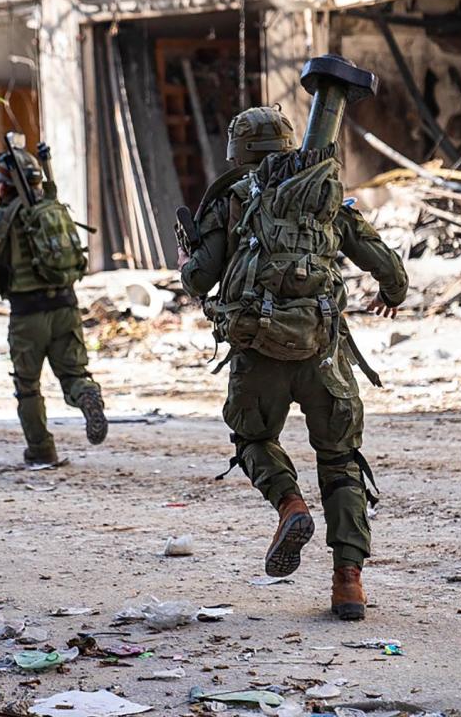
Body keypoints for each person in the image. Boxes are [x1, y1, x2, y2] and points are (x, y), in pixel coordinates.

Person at [178, 105, 407, 621]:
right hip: (322, 348)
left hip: (259, 349)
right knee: (340, 459)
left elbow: (200, 279)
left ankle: (290, 505)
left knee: (252, 438)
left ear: (237, 152)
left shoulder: (235, 198)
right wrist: (391, 293)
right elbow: (388, 267)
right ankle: (348, 583)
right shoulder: (323, 196)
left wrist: (188, 262)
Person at [0, 145, 107, 465]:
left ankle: (41, 449)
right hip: (66, 307)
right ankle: (86, 394)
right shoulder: (54, 210)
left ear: (3, 185)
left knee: (28, 387)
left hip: (27, 317)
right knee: (73, 374)